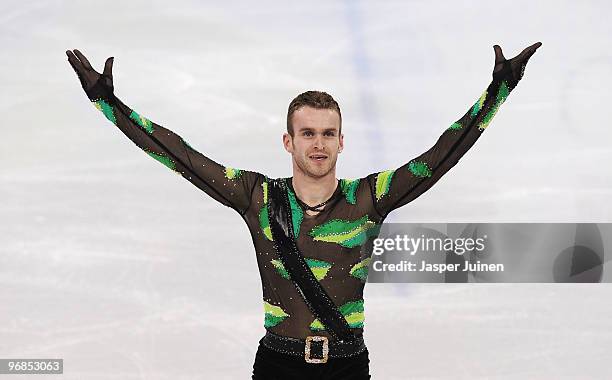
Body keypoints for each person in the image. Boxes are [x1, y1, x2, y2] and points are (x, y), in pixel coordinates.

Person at [66, 41, 542, 379]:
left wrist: (497, 92)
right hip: (278, 365)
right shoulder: (257, 197)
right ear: (288, 141)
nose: (319, 144)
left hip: (347, 367)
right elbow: (183, 157)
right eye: (308, 133)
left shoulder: (368, 198)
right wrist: (109, 104)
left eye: (328, 133)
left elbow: (440, 157)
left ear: (341, 140)